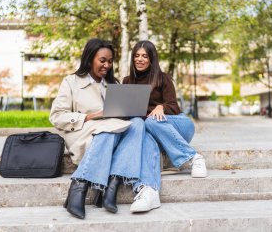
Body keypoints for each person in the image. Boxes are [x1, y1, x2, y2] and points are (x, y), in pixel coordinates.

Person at [50, 38, 148, 219]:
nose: (107, 65)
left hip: (110, 132)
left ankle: (113, 183)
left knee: (138, 124)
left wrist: (128, 112)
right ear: (89, 59)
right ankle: (79, 185)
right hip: (83, 133)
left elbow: (121, 118)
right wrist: (91, 116)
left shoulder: (114, 84)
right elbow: (56, 117)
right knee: (108, 129)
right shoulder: (71, 81)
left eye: (110, 62)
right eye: (102, 60)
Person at [123, 40, 207, 210]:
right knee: (144, 133)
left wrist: (161, 106)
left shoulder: (163, 78)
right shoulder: (127, 81)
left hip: (178, 125)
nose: (140, 59)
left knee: (152, 120)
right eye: (137, 56)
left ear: (151, 59)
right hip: (153, 132)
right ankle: (149, 192)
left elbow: (174, 107)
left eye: (144, 56)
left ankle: (193, 158)